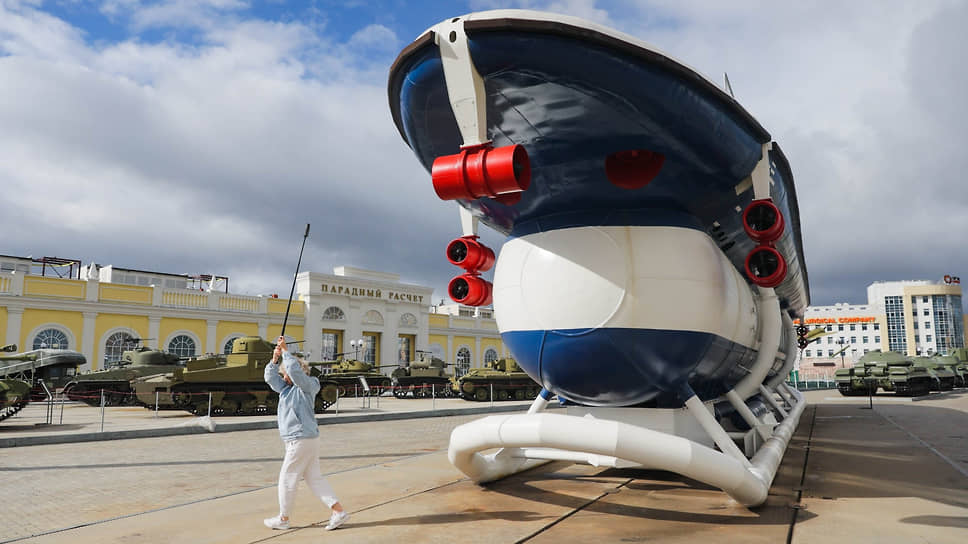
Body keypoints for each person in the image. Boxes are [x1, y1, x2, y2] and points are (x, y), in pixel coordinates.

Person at [263, 336, 349, 531]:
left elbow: (294, 372)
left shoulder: (309, 385)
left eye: (285, 373)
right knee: (314, 478)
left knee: (287, 478)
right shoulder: (285, 389)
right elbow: (269, 378)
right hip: (303, 439)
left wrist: (286, 352)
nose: (283, 376)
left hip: (300, 439)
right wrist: (275, 360)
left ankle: (283, 519)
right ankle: (338, 512)